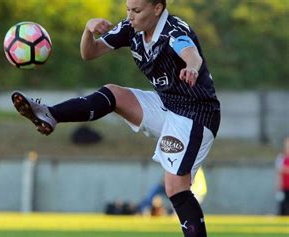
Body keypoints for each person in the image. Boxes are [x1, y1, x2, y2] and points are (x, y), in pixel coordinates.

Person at [11, 0, 220, 236]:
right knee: (113, 94)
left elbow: (191, 54)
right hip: (166, 104)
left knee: (175, 189)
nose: (130, 16)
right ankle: (51, 114)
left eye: (137, 11)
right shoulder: (131, 28)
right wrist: (88, 31)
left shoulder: (174, 30)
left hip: (195, 115)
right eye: (128, 9)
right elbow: (89, 53)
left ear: (158, 8)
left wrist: (191, 67)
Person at [275, 137, 289, 215]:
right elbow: (278, 173)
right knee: (283, 207)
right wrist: (278, 187)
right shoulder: (281, 158)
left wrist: (284, 169)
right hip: (284, 188)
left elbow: (282, 169)